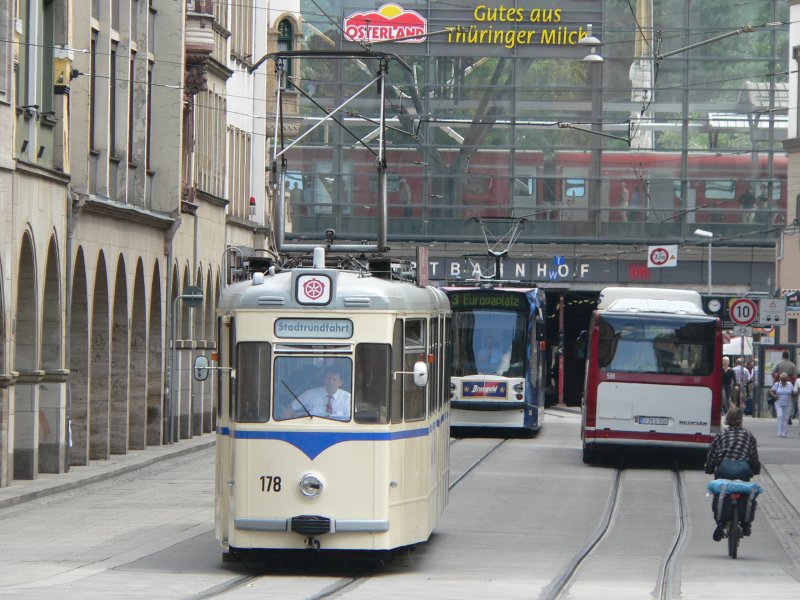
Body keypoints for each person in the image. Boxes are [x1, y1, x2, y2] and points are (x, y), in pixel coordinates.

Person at [704, 406, 761, 540]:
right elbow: (754, 456)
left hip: (724, 469)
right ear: (741, 420)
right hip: (743, 470)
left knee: (719, 493)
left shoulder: (721, 435)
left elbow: (712, 454)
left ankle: (720, 522)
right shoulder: (748, 435)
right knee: (746, 494)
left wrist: (709, 468)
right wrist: (755, 469)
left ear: (728, 419)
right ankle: (746, 524)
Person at [772, 351, 797, 424]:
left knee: (780, 401)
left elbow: (773, 372)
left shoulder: (779, 364)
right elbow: (795, 375)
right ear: (788, 356)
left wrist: (776, 379)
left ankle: (781, 415)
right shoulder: (792, 365)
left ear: (782, 356)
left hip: (780, 383)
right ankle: (789, 416)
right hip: (790, 384)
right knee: (790, 401)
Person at [769, 372, 794, 438]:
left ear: (787, 379)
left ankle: (784, 432)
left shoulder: (790, 384)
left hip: (788, 404)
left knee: (785, 418)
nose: (783, 382)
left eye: (785, 380)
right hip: (778, 403)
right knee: (780, 416)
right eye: (782, 380)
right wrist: (774, 396)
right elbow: (770, 391)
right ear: (780, 379)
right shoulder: (777, 384)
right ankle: (779, 432)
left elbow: (792, 392)